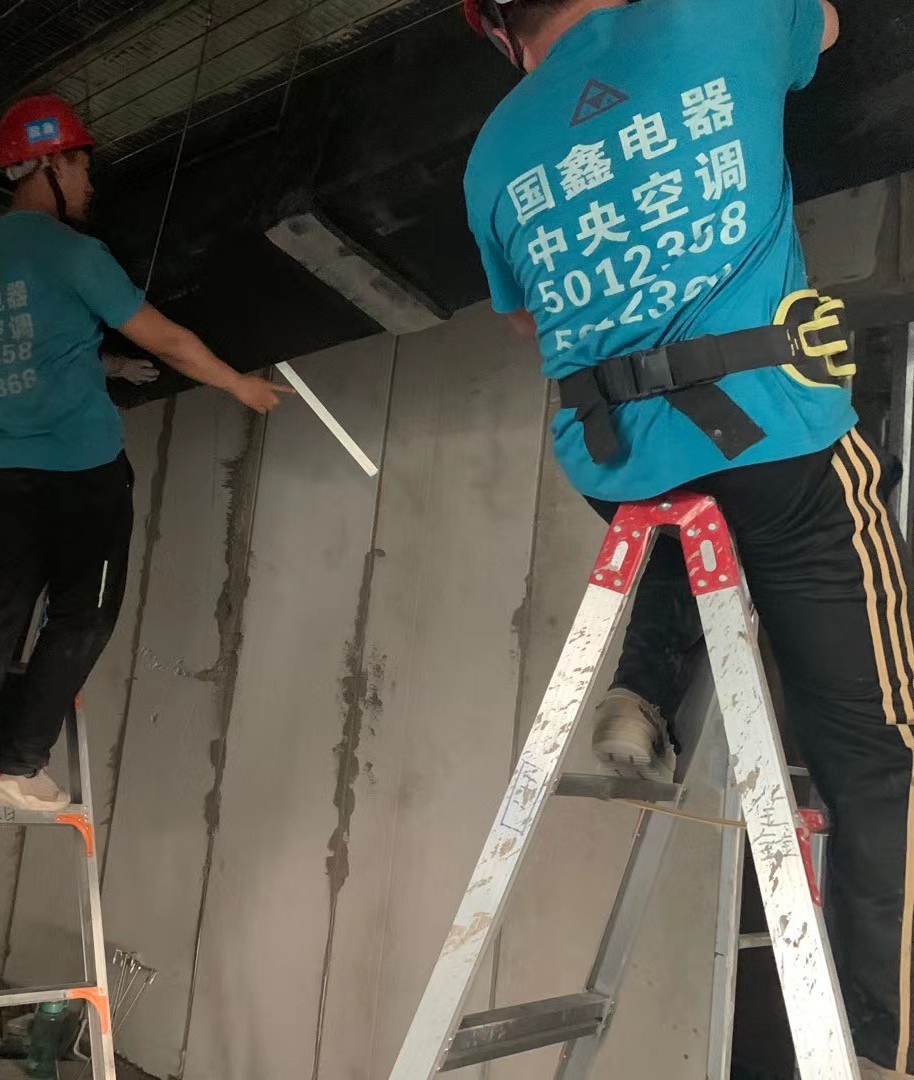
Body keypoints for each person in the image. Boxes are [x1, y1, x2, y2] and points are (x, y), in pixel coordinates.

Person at [461, 1, 909, 1076]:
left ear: (496, 28)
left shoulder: (492, 152)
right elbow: (830, 26)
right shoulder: (720, 14)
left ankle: (642, 689)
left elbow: (527, 321)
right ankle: (884, 1040)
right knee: (875, 757)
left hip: (615, 466)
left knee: (682, 516)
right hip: (775, 446)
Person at [0, 94, 290, 819]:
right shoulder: (74, 253)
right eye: (82, 166)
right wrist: (240, 384)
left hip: (2, 470)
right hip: (83, 474)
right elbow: (166, 339)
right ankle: (18, 764)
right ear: (51, 163)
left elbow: (36, 345)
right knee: (83, 617)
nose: (89, 184)